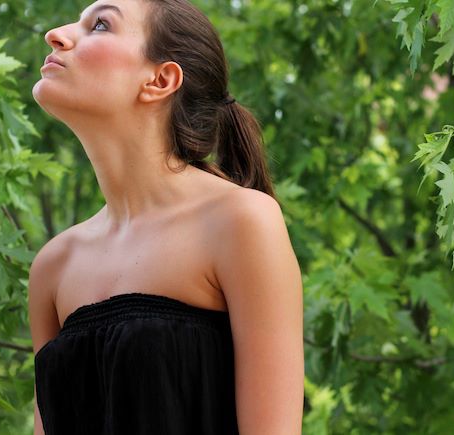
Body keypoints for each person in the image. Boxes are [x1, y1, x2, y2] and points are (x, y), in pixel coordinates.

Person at [29, 0, 304, 434]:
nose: (56, 35)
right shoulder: (54, 265)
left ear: (160, 80)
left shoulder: (240, 221)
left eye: (99, 25)